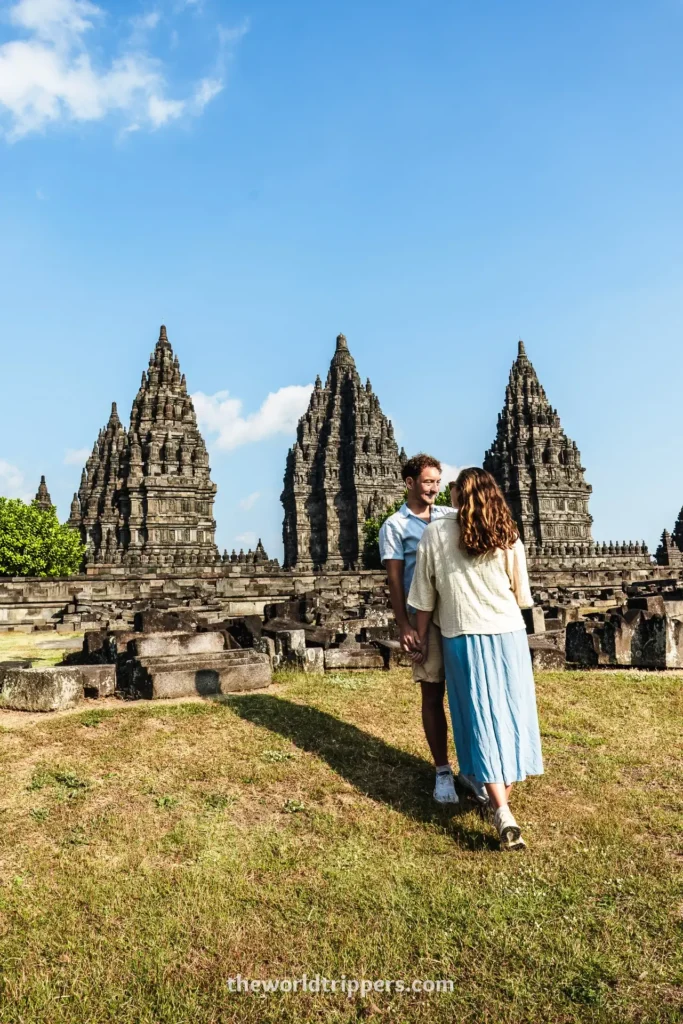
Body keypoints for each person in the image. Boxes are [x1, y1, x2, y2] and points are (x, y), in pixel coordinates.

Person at [408, 467, 543, 851]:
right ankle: (501, 800)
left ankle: (500, 807)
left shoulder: (436, 533)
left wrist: (420, 636)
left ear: (458, 495)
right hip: (508, 635)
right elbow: (521, 594)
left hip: (462, 636)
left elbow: (424, 597)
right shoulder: (507, 533)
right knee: (511, 715)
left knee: (478, 717)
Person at [378, 454, 488, 808]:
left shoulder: (448, 515)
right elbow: (395, 579)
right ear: (409, 483)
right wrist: (404, 625)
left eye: (438, 482)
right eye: (427, 482)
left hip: (460, 610)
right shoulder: (394, 526)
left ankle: (475, 768)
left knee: (470, 691)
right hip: (420, 615)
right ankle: (442, 770)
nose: (434, 489)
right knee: (432, 692)